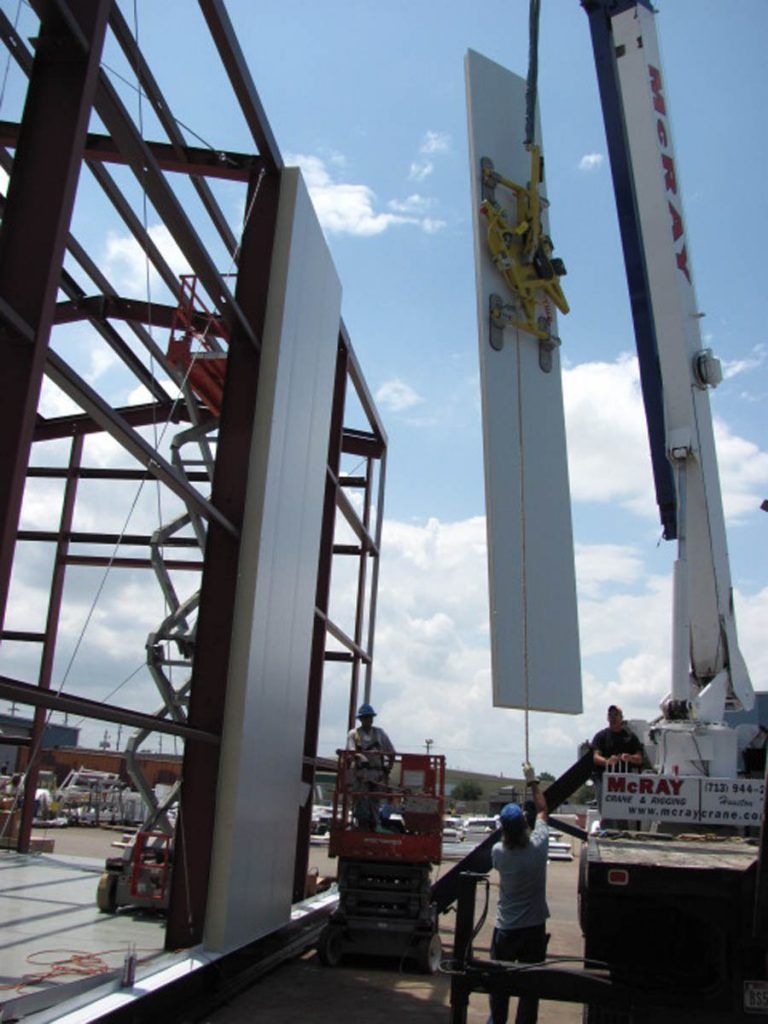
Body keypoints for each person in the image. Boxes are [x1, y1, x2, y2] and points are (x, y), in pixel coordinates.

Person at [487, 762, 549, 1024]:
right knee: (529, 989)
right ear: (525, 824)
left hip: (507, 929)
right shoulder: (538, 847)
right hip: (533, 929)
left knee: (499, 987)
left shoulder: (499, 853)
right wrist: (533, 781)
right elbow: (544, 810)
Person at [346, 703, 395, 830]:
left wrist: (387, 770)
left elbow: (391, 752)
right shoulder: (354, 734)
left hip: (376, 774)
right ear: (361, 719)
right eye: (365, 717)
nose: (368, 720)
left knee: (375, 801)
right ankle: (362, 825)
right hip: (361, 774)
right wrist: (360, 757)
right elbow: (351, 752)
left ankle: (374, 825)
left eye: (370, 717)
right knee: (361, 801)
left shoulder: (379, 733)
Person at [591, 705, 643, 823]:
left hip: (623, 782)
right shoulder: (601, 736)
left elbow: (639, 758)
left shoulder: (630, 737)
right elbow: (595, 757)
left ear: (621, 718)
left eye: (616, 715)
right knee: (606, 813)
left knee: (622, 813)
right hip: (604, 779)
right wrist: (607, 761)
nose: (613, 718)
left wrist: (629, 757)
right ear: (607, 718)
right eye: (610, 715)